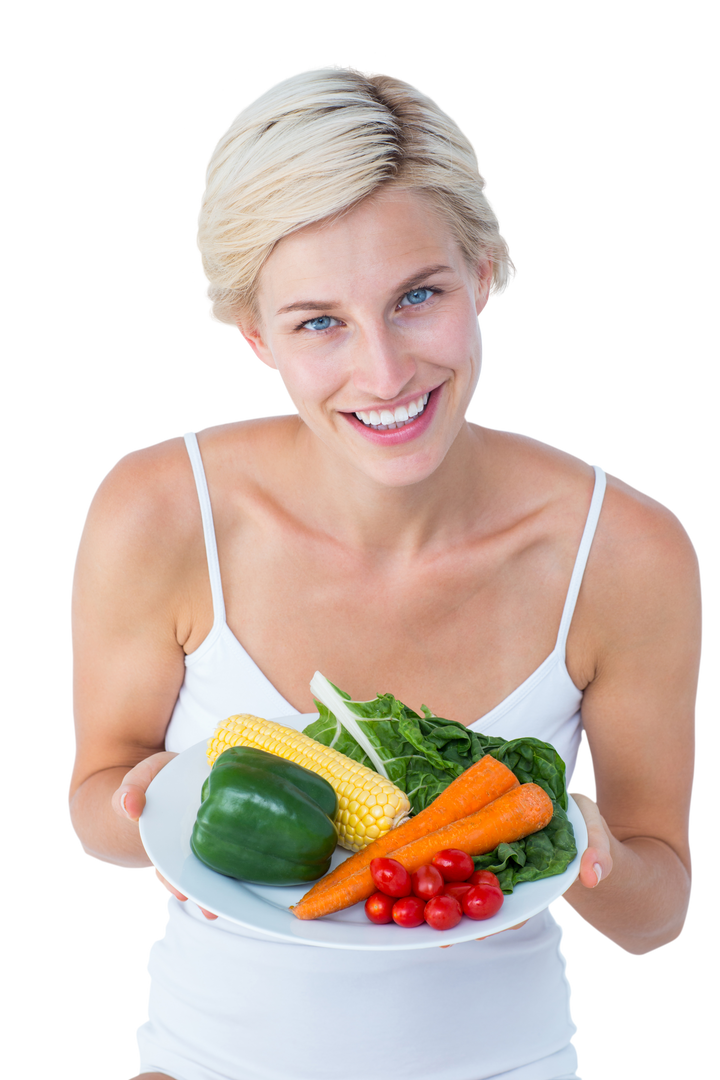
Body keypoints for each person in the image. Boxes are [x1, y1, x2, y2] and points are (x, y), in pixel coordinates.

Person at [67, 62, 701, 1080]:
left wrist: (592, 856)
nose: (385, 372)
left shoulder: (626, 552)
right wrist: (141, 806)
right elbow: (95, 808)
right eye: (320, 321)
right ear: (254, 333)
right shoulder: (157, 511)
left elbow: (656, 916)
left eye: (417, 297)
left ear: (485, 269)